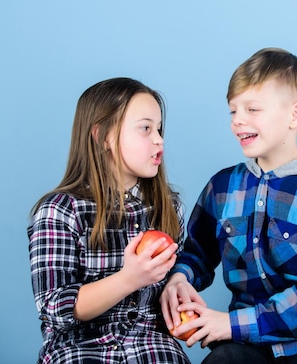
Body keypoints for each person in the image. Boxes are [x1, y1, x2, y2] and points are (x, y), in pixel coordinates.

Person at [160, 47, 297, 364]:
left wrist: (228, 324)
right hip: (244, 344)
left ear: (296, 115)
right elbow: (195, 253)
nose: (238, 121)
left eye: (252, 109)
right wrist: (180, 278)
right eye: (233, 111)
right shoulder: (222, 187)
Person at [27, 77, 190, 364]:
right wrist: (128, 279)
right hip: (79, 349)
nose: (159, 139)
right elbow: (53, 306)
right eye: (145, 128)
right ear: (104, 136)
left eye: (160, 128)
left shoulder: (167, 207)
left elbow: (173, 281)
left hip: (152, 349)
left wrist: (179, 291)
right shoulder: (60, 211)